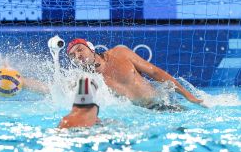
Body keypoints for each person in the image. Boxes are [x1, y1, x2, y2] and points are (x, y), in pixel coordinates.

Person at [66, 38, 203, 108]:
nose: (78, 55)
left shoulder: (120, 53)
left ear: (90, 48)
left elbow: (155, 72)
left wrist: (188, 96)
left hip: (163, 105)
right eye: (72, 56)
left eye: (80, 49)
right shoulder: (87, 80)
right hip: (140, 116)